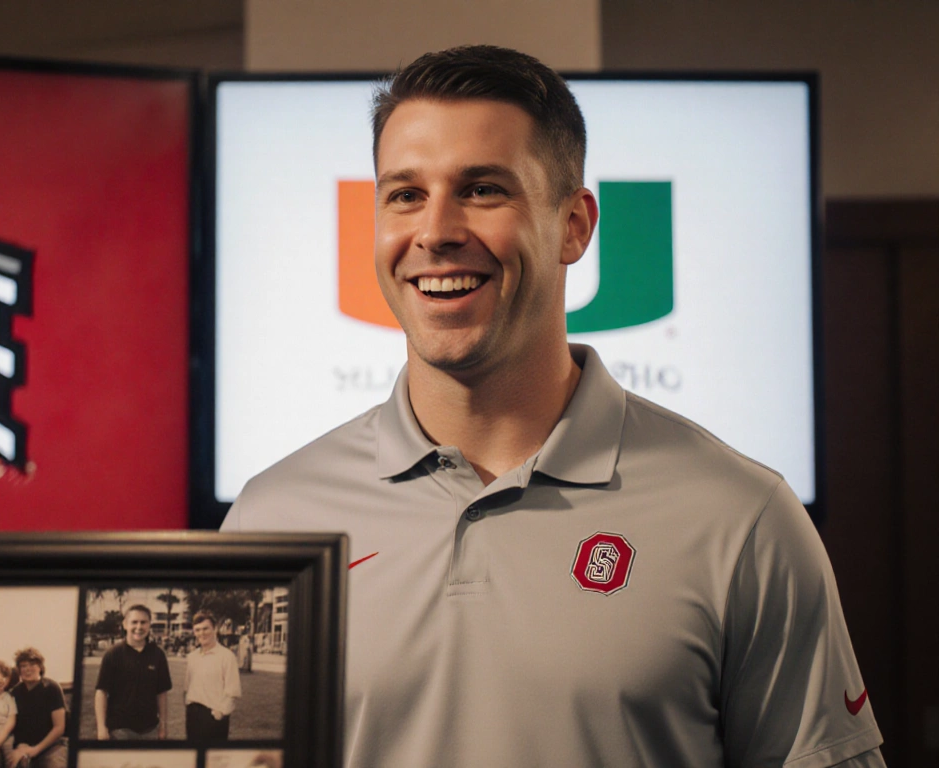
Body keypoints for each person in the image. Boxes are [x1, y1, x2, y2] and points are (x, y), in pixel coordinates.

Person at [221, 44, 885, 767]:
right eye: (404, 194)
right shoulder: (272, 517)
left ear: (574, 225)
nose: (436, 231)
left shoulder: (742, 519)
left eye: (482, 189)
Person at [93, 604, 172, 739]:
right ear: (125, 624)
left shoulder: (158, 655)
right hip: (120, 730)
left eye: (143, 622)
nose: (139, 627)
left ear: (149, 625)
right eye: (134, 622)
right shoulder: (113, 654)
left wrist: (163, 726)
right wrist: (101, 728)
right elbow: (101, 692)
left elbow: (161, 693)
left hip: (150, 729)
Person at [183, 611, 241, 743]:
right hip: (192, 715)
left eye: (205, 628)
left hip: (214, 716)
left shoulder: (227, 656)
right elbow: (187, 687)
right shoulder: (192, 657)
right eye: (197, 630)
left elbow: (232, 691)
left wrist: (220, 713)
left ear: (215, 629)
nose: (201, 633)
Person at [5, 647, 68, 768]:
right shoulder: (15, 693)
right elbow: (12, 725)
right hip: (24, 747)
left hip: (52, 746)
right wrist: (20, 746)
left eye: (32, 665)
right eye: (23, 666)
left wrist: (36, 750)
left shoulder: (52, 688)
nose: (27, 669)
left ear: (40, 667)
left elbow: (59, 727)